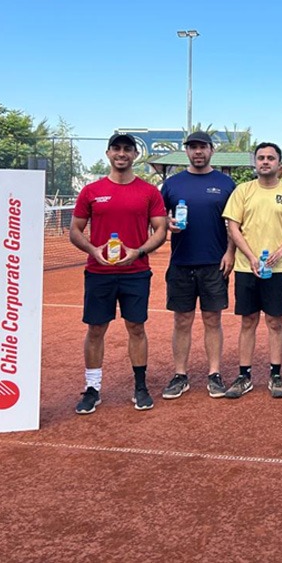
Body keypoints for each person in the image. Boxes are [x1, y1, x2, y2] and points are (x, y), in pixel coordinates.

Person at [69, 132, 168, 414]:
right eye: (116, 148)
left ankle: (140, 387)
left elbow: (160, 230)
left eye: (127, 149)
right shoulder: (91, 191)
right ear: (108, 153)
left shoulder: (149, 192)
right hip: (98, 272)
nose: (121, 153)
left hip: (136, 273)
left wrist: (139, 251)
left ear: (135, 154)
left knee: (136, 328)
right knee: (95, 329)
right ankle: (92, 388)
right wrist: (93, 250)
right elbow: (75, 230)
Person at [221, 142, 282, 399]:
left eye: (271, 158)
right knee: (248, 321)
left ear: (279, 163)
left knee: (274, 321)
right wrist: (250, 256)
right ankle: (244, 375)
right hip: (246, 268)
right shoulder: (242, 191)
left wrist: (279, 253)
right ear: (255, 162)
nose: (265, 161)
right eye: (261, 158)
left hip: (277, 270)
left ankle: (276, 374)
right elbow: (233, 226)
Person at [159, 131, 237, 400]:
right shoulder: (172, 184)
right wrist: (167, 224)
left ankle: (214, 373)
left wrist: (230, 252)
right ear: (187, 151)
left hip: (214, 264)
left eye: (202, 147)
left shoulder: (226, 184)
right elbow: (157, 218)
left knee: (212, 320)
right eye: (192, 147)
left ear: (211, 150)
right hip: (181, 263)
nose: (198, 151)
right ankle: (180, 375)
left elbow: (235, 223)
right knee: (182, 321)